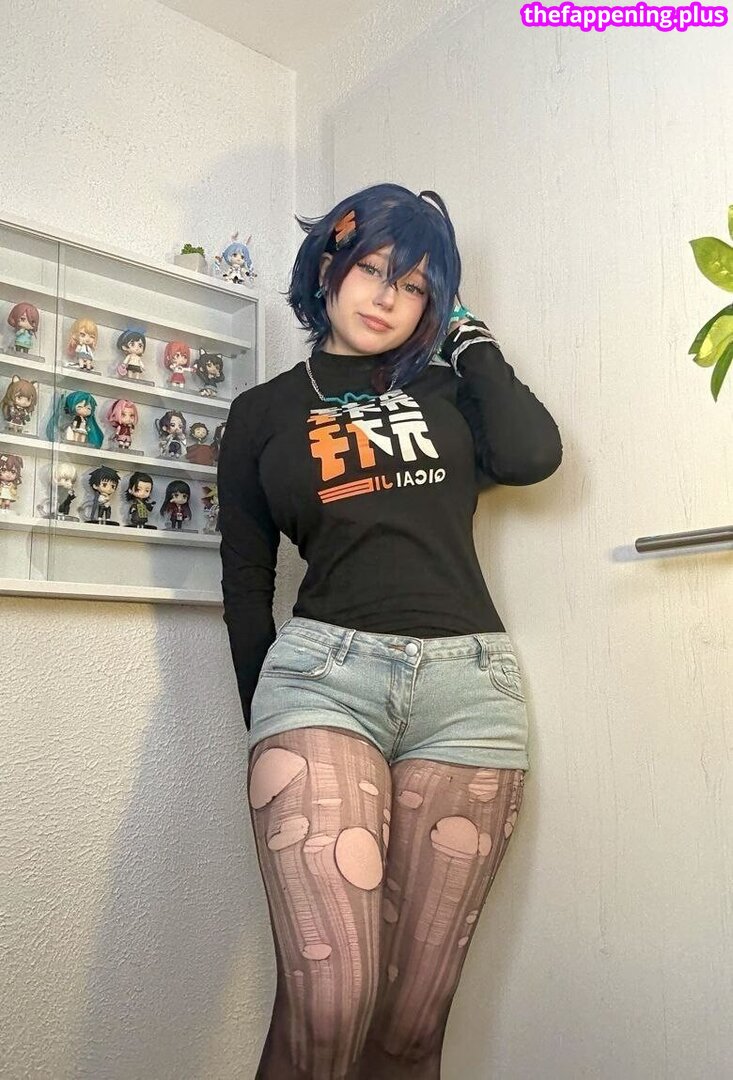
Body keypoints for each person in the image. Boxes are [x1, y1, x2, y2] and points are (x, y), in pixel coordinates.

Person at [217, 182, 563, 1080]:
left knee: (410, 1025)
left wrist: (467, 332)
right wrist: (265, 721)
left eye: (413, 286)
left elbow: (533, 454)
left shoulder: (448, 391)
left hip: (467, 692)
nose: (386, 297)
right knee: (332, 998)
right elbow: (246, 586)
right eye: (372, 269)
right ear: (326, 268)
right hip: (322, 682)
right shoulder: (261, 413)